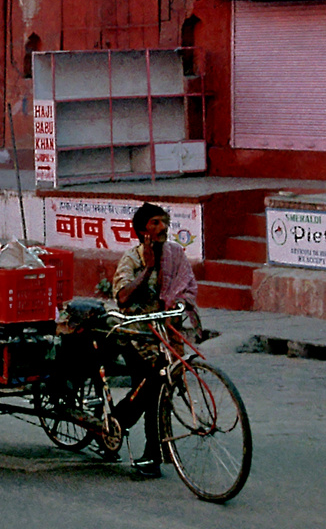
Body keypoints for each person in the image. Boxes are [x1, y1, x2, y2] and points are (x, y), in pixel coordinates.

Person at [111, 202, 199, 479]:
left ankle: (118, 423)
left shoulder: (175, 254)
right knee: (152, 390)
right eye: (154, 224)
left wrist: (180, 305)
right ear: (141, 231)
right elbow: (123, 297)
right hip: (137, 335)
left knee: (160, 390)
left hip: (167, 333)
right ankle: (151, 454)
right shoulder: (132, 259)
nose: (162, 228)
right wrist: (148, 269)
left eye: (164, 222)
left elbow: (188, 286)